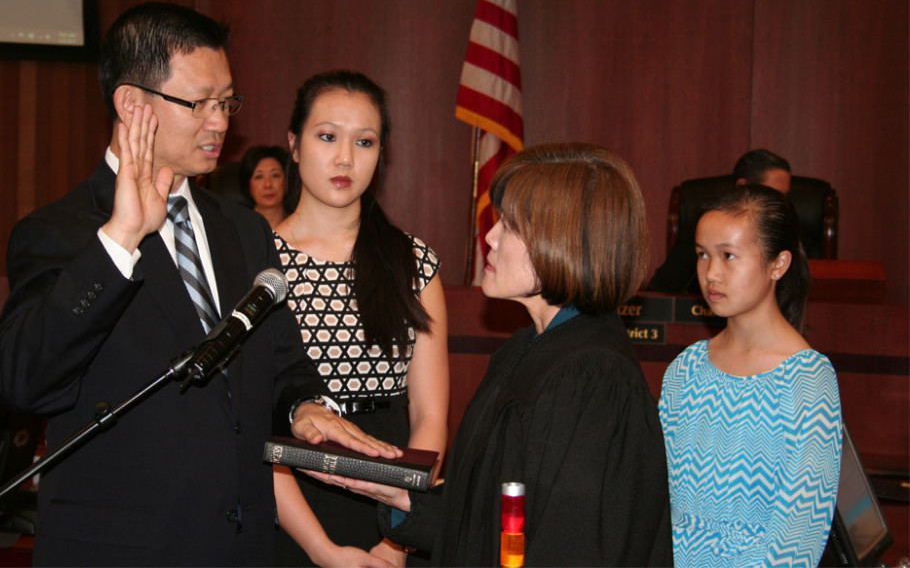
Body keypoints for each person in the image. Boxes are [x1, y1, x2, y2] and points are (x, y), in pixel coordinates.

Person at [0, 3, 396, 567]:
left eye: (226, 102)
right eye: (199, 103)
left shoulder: (242, 228)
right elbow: (22, 383)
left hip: (242, 548)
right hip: (124, 553)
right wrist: (120, 239)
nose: (221, 122)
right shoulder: (60, 233)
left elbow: (280, 361)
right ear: (132, 104)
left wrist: (304, 405)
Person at [309, 143, 673, 566]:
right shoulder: (527, 350)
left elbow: (564, 548)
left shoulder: (591, 376)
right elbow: (496, 522)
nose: (491, 237)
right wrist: (401, 495)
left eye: (511, 225)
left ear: (567, 243)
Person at [271, 70, 449, 568]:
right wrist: (320, 549)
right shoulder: (256, 262)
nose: (345, 157)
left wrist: (396, 541)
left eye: (364, 141)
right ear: (294, 144)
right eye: (327, 136)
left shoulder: (412, 262)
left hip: (391, 504)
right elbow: (251, 423)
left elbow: (430, 415)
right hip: (289, 505)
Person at [658, 184, 842, 567]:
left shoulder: (807, 379)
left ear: (778, 264)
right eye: (702, 255)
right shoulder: (687, 367)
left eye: (728, 256)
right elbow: (655, 497)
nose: (711, 273)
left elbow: (798, 538)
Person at [646, 149, 792, 293]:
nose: (711, 274)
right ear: (743, 187)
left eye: (784, 197)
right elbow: (662, 288)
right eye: (702, 255)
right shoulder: (708, 230)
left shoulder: (789, 229)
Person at [239, 144, 290, 227]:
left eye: (275, 175)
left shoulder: (301, 226)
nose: (268, 184)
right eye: (259, 177)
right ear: (247, 183)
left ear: (286, 180)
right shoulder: (236, 227)